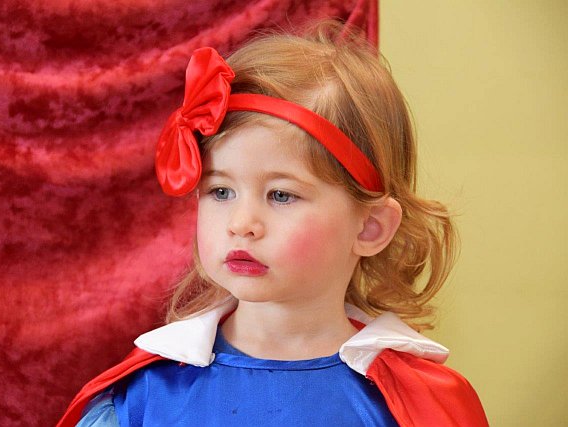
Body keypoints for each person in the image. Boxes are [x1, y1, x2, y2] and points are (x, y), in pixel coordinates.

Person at [58, 21, 488, 427]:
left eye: (281, 195)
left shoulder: (417, 404)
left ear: (369, 228)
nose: (242, 224)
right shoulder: (144, 396)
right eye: (220, 191)